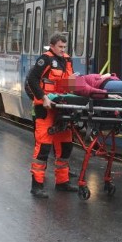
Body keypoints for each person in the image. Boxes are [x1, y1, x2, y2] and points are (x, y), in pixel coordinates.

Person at [25, 33, 75, 198]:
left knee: (66, 145)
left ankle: (62, 182)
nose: (62, 50)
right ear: (52, 46)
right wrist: (43, 97)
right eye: (60, 47)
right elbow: (32, 79)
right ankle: (37, 185)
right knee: (44, 147)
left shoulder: (67, 60)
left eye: (64, 47)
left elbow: (70, 81)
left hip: (62, 108)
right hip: (45, 109)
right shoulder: (44, 60)